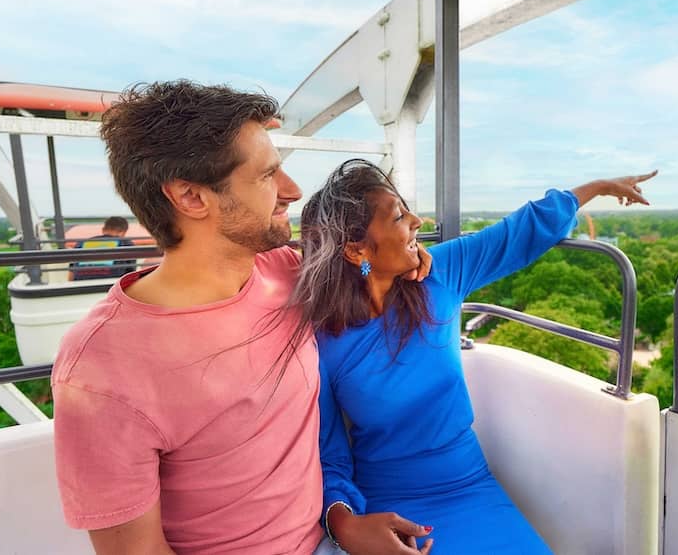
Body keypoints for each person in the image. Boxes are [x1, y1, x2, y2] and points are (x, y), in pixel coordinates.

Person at [51, 81, 432, 555]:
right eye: (268, 175)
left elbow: (369, 265)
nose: (292, 191)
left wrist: (410, 258)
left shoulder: (285, 274)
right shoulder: (102, 369)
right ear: (191, 197)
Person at [291, 159, 656, 554]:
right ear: (355, 249)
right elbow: (330, 455)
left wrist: (597, 186)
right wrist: (346, 526)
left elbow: (519, 233)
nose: (416, 221)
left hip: (471, 485)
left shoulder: (440, 275)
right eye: (398, 216)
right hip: (392, 508)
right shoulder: (323, 342)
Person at [68, 215, 136, 280]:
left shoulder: (81, 243)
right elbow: (130, 274)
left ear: (103, 230)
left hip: (81, 284)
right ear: (123, 232)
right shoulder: (126, 243)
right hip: (110, 284)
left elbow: (71, 273)